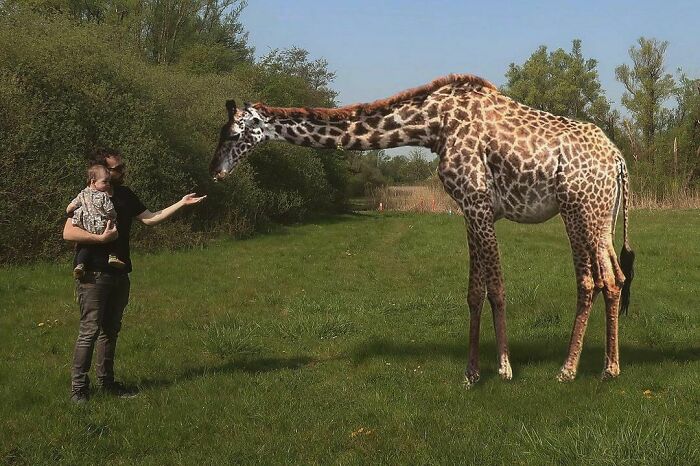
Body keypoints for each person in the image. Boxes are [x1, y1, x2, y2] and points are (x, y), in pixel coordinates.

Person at [63, 148, 206, 404]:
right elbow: (68, 233)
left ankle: (107, 383)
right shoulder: (87, 196)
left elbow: (150, 219)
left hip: (120, 273)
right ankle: (78, 390)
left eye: (121, 167)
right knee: (89, 332)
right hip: (93, 274)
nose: (122, 171)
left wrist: (181, 203)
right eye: (117, 168)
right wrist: (100, 239)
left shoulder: (126, 195)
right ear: (103, 170)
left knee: (111, 331)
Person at [67, 164, 125, 278]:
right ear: (93, 182)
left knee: (85, 247)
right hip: (102, 225)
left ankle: (80, 265)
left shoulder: (82, 194)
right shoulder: (103, 196)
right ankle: (112, 256)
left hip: (87, 227)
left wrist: (69, 209)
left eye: (109, 182)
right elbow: (110, 209)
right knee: (114, 237)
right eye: (105, 182)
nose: (108, 184)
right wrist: (114, 217)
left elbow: (72, 205)